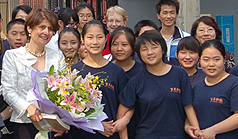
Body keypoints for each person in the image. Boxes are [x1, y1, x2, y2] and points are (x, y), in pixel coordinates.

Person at [115, 30, 199, 139]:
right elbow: (121, 114)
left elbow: (188, 106)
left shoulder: (179, 74)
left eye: (154, 47)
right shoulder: (136, 81)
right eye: (144, 49)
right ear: (139, 54)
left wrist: (196, 130)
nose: (150, 52)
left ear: (163, 49)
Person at [1, 8, 66, 139]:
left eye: (50, 29)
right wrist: (28, 107)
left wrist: (63, 120)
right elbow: (8, 91)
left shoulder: (57, 56)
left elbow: (64, 89)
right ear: (29, 29)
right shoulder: (13, 56)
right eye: (42, 27)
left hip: (52, 123)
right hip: (24, 123)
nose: (46, 32)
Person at [71, 20, 128, 139]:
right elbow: (69, 112)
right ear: (82, 39)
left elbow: (126, 106)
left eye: (99, 37)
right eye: (90, 37)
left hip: (110, 134)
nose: (95, 42)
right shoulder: (74, 72)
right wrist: (96, 125)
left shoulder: (117, 72)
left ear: (106, 39)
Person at [190, 39, 238, 139]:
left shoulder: (234, 84)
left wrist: (213, 130)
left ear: (224, 59)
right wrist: (188, 127)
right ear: (200, 60)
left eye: (216, 59)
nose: (211, 64)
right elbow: (191, 112)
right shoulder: (197, 86)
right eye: (206, 59)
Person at [109, 26, 142, 139]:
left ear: (133, 47)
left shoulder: (142, 71)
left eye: (124, 45)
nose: (119, 48)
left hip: (138, 127)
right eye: (115, 44)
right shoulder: (107, 70)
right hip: (110, 129)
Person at [155, 0, 190, 65]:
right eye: (165, 13)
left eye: (172, 12)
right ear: (158, 16)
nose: (168, 16)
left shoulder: (186, 37)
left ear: (177, 15)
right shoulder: (153, 39)